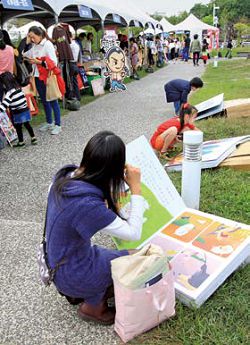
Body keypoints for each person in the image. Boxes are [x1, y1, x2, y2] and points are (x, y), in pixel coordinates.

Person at [45, 131, 145, 324]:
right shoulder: (86, 205)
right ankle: (92, 306)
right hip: (74, 273)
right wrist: (136, 188)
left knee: (111, 255)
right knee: (138, 258)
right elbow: (134, 233)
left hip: (57, 265)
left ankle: (77, 291)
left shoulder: (66, 176)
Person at [23, 26, 62, 135]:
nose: (32, 39)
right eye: (30, 37)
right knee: (44, 101)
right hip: (37, 76)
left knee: (52, 100)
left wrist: (38, 62)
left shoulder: (47, 44)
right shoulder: (34, 45)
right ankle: (49, 122)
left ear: (39, 35)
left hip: (48, 76)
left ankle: (58, 124)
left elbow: (54, 62)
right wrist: (26, 43)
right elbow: (24, 54)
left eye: (32, 37)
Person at [0, 72, 37, 147]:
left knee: (18, 127)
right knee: (27, 124)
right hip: (25, 109)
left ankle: (21, 142)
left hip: (18, 112)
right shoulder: (19, 88)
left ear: (5, 83)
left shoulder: (9, 93)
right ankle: (33, 138)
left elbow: (4, 105)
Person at [0, 30, 15, 101]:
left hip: (1, 79)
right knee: (11, 101)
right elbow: (13, 63)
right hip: (10, 77)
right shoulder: (11, 48)